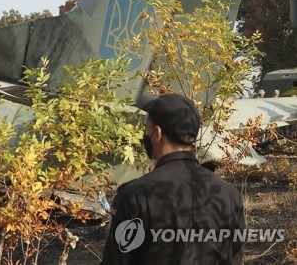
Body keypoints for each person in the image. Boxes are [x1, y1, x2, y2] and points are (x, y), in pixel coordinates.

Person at [101, 93, 245, 265]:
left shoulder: (135, 195)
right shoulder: (230, 194)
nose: (145, 134)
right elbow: (235, 257)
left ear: (157, 133)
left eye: (146, 128)